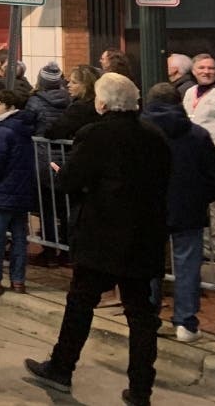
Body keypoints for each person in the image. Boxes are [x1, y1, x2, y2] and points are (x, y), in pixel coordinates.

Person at [25, 73, 171, 406]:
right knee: (141, 315)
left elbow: (71, 181)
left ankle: (61, 367)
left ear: (101, 103)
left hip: (101, 236)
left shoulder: (95, 135)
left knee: (80, 303)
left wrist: (63, 175)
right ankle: (140, 389)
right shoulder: (155, 137)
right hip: (143, 237)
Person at [142, 83, 215, 342]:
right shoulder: (197, 135)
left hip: (149, 208)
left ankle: (147, 317)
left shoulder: (138, 133)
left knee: (148, 264)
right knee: (187, 267)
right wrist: (201, 198)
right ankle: (185, 323)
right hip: (188, 208)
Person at [0, 90, 36, 295]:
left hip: (2, 192)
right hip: (21, 191)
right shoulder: (25, 130)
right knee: (20, 238)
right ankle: (18, 280)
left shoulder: (3, 132)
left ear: (10, 107)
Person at [182, 53, 215, 259]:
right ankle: (201, 248)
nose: (206, 72)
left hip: (212, 152)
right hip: (190, 153)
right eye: (202, 68)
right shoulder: (189, 92)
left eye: (210, 68)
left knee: (213, 205)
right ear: (193, 71)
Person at [26, 61, 70, 138]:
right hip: (64, 143)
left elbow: (28, 125)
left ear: (41, 81)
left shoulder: (34, 101)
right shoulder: (69, 98)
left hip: (40, 143)